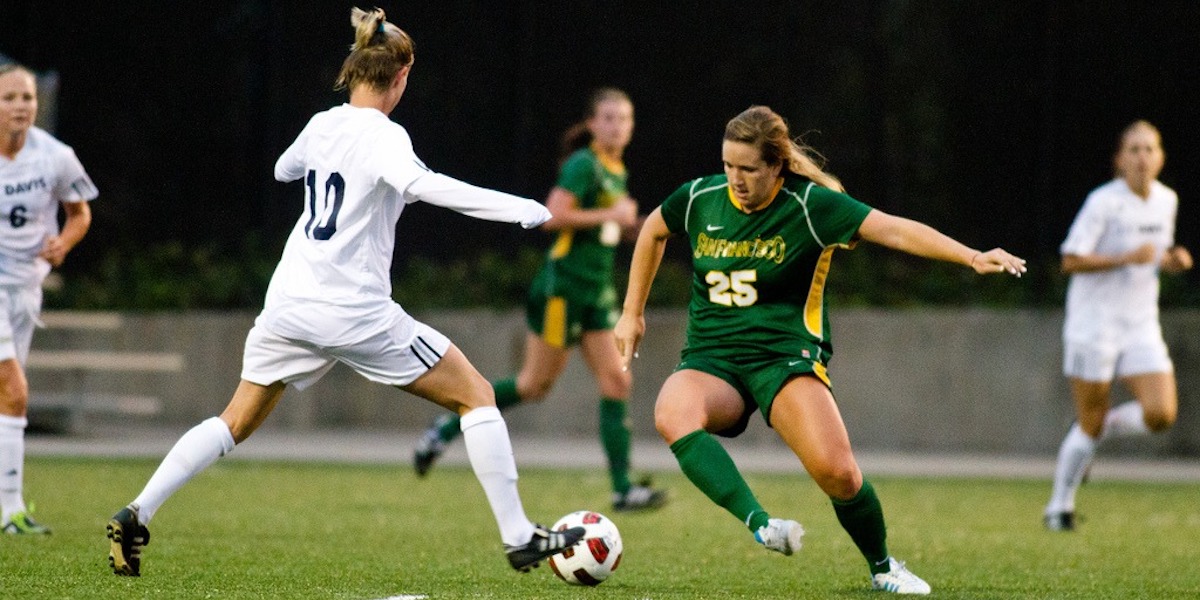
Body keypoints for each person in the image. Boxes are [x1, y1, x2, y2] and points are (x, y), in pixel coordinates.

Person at [105, 7, 584, 576]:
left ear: (353, 71)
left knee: (234, 420)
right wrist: (525, 211)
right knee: (477, 396)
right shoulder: (385, 136)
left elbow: (285, 170)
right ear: (400, 77)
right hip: (352, 310)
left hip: (289, 303)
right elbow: (423, 186)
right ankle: (517, 537)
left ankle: (137, 512)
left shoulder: (322, 125)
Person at [614, 106, 1026, 595]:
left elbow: (893, 229)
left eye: (748, 169)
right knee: (671, 412)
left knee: (839, 474)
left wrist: (972, 256)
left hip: (784, 358)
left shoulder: (810, 206)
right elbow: (653, 231)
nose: (735, 179)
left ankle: (883, 566)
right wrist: (631, 312)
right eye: (728, 165)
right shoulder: (701, 196)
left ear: (777, 166)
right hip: (712, 357)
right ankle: (762, 524)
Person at [413, 88, 667, 511]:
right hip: (561, 292)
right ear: (591, 124)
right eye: (608, 117)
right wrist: (613, 216)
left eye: (624, 118)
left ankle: (623, 488)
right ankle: (445, 427)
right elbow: (553, 215)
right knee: (533, 385)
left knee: (617, 380)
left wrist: (640, 227)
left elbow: (601, 229)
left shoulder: (614, 168)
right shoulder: (584, 164)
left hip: (595, 294)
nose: (617, 126)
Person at [1043, 120, 1192, 532]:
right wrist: (1124, 257)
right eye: (1134, 149)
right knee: (1091, 424)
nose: (1142, 157)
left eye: (1150, 149)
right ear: (1119, 160)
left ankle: (1094, 426)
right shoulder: (1102, 202)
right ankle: (1059, 508)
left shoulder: (1167, 201)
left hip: (1140, 323)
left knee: (1161, 413)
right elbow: (1070, 260)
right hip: (1094, 325)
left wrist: (1174, 260)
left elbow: (1155, 255)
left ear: (1161, 157)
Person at [0, 63, 95, 535]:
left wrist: (64, 243)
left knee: (4, 397)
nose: (20, 106)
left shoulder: (56, 156)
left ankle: (9, 510)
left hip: (25, 287)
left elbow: (79, 213)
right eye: (9, 98)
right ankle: (11, 509)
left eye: (27, 98)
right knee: (15, 391)